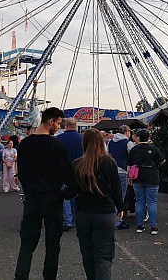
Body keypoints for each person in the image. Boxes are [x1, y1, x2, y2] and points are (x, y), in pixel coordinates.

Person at [14, 107, 75, 280]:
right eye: (57, 123)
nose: (58, 127)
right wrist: (66, 193)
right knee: (53, 243)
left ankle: (21, 275)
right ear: (50, 122)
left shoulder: (24, 144)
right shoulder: (55, 145)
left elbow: (22, 174)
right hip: (52, 197)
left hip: (32, 198)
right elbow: (66, 174)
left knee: (27, 242)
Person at [71, 128, 124, 280]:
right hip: (104, 212)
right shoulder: (109, 162)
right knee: (103, 256)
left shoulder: (78, 164)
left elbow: (72, 191)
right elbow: (116, 189)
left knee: (87, 255)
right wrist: (120, 207)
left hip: (83, 213)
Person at [127, 129, 165, 235]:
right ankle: (153, 227)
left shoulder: (134, 149)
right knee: (152, 202)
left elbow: (129, 164)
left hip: (138, 177)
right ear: (148, 138)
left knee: (139, 201)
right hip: (152, 177)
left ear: (138, 137)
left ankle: (140, 225)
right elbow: (162, 160)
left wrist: (129, 176)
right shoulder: (153, 148)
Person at [56, 117, 83, 231]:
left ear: (65, 126)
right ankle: (77, 218)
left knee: (65, 194)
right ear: (75, 126)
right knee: (77, 194)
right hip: (79, 169)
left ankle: (68, 219)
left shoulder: (58, 139)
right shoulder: (82, 138)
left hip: (62, 170)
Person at [107, 124, 132, 229]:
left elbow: (107, 155)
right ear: (126, 132)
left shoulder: (110, 143)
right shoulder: (128, 143)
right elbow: (132, 156)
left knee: (113, 195)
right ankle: (118, 220)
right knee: (120, 196)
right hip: (123, 171)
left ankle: (112, 217)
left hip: (112, 171)